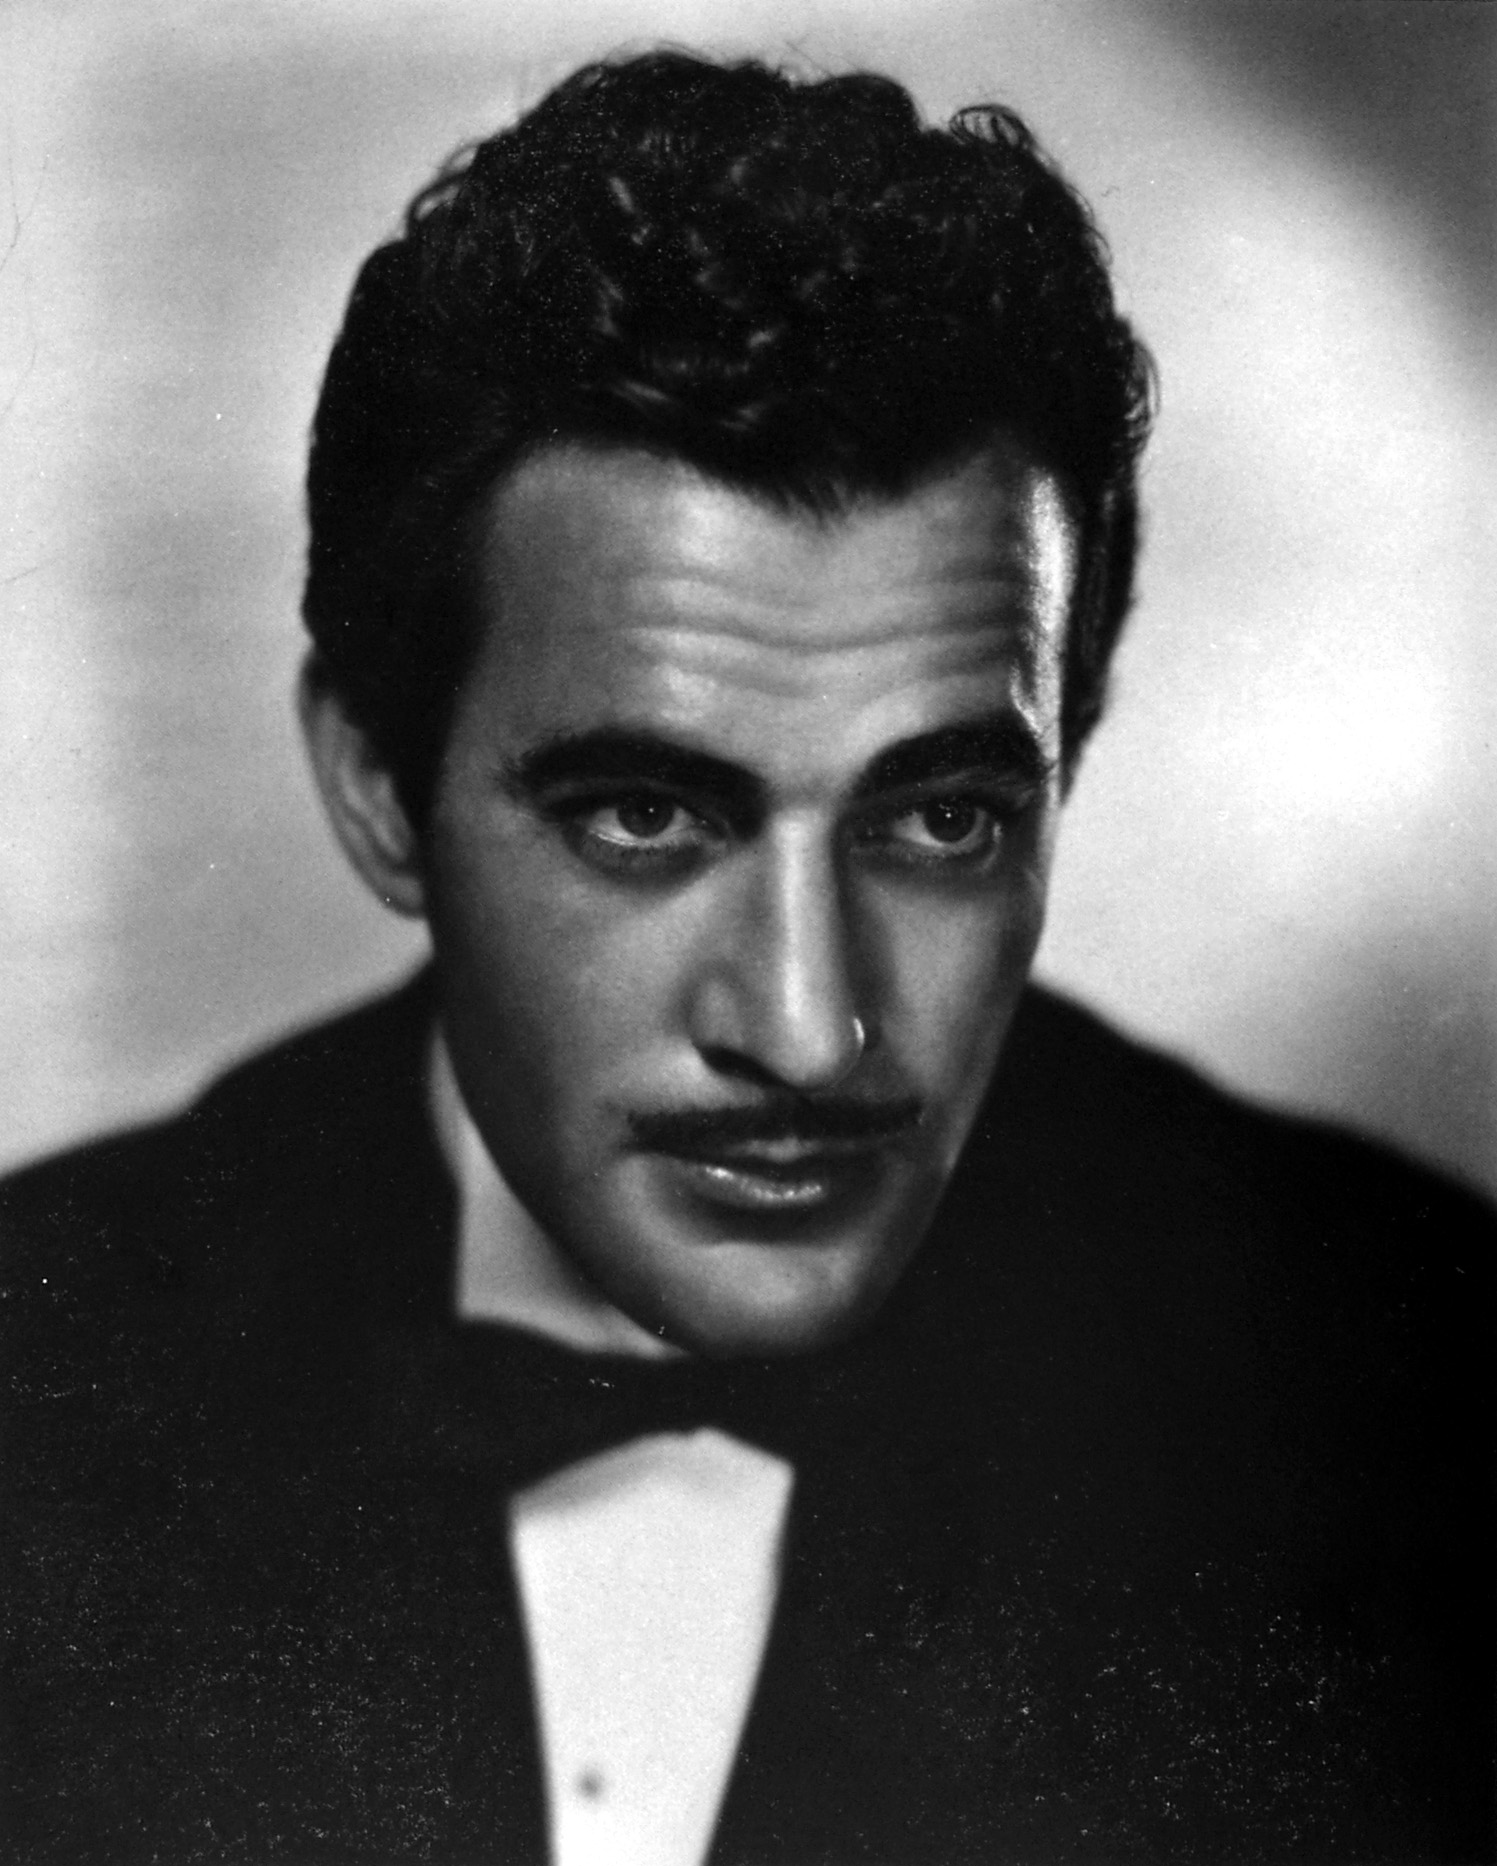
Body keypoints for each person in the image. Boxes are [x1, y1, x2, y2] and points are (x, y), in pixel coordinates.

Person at [1, 49, 1490, 1866]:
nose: (805, 1025)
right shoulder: (40, 1375)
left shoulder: (1414, 1406)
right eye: (646, 815)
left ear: (1066, 766)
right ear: (379, 787)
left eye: (941, 820)